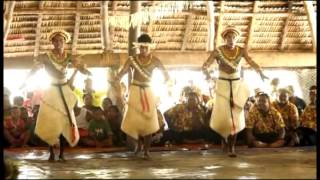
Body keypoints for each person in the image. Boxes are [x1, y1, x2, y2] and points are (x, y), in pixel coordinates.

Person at [20, 30, 91, 161]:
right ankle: (51, 152)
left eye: (61, 41)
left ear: (64, 43)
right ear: (52, 42)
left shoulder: (69, 56)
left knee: (64, 120)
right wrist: (25, 81)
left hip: (64, 89)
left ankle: (62, 153)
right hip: (52, 90)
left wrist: (85, 70)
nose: (58, 43)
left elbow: (78, 65)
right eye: (56, 41)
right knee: (51, 121)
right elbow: (35, 69)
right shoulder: (46, 56)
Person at [202, 25, 269, 157]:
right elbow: (205, 65)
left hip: (237, 84)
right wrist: (208, 76)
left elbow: (251, 61)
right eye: (228, 37)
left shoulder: (241, 50)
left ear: (236, 38)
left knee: (236, 115)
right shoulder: (218, 51)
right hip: (222, 84)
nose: (231, 39)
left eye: (233, 37)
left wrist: (260, 71)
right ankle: (224, 141)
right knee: (223, 116)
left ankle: (232, 147)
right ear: (225, 38)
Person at [114, 33, 171, 159]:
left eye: (146, 47)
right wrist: (117, 78)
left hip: (148, 91)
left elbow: (166, 75)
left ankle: (146, 150)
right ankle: (138, 146)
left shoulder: (155, 60)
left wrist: (166, 81)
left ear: (150, 47)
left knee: (148, 121)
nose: (144, 49)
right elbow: (123, 71)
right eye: (141, 47)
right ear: (138, 47)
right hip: (135, 90)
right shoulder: (132, 59)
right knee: (135, 121)